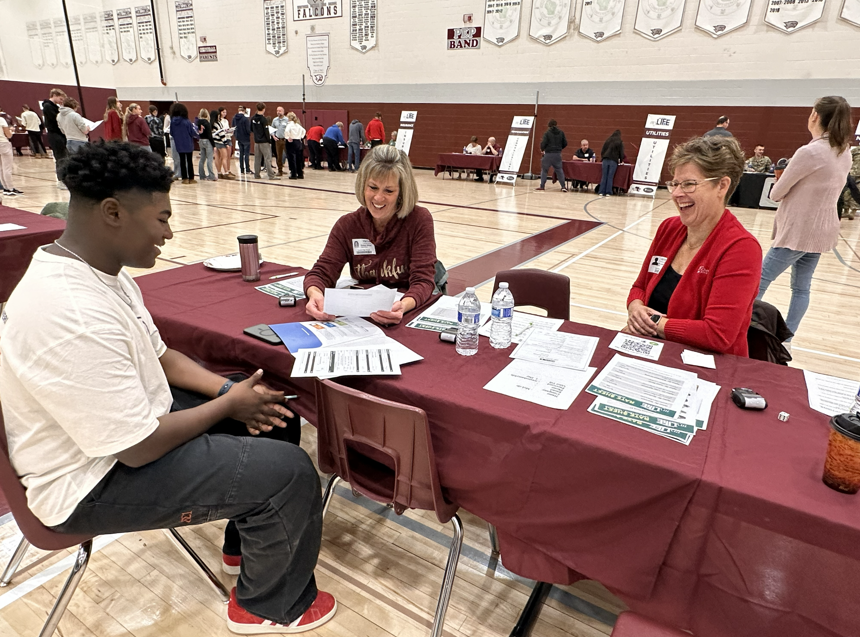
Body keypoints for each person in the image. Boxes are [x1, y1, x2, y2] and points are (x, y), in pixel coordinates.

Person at [0, 141, 337, 635]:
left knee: (271, 412)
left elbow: (163, 357)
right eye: (160, 219)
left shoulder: (101, 273)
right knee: (289, 472)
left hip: (123, 437)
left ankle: (245, 547)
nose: (170, 232)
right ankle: (268, 604)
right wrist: (229, 404)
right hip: (88, 482)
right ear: (113, 213)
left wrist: (229, 394)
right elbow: (137, 448)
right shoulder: (69, 309)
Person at [626, 136, 761, 356]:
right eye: (675, 184)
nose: (677, 193)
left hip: (708, 366)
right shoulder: (668, 229)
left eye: (688, 184)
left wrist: (653, 323)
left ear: (722, 185)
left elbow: (717, 334)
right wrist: (635, 307)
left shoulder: (741, 248)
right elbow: (639, 286)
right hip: (656, 350)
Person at [304, 145, 437, 327]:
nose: (378, 198)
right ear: (362, 185)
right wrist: (315, 294)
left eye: (388, 191)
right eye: (373, 187)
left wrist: (402, 306)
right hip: (361, 320)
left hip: (404, 315)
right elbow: (321, 272)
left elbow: (423, 281)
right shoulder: (347, 225)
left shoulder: (419, 220)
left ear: (402, 193)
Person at [756, 96, 853, 340]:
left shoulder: (810, 152)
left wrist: (781, 179)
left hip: (798, 231)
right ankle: (786, 340)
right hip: (822, 231)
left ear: (815, 117)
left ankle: (736, 326)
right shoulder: (845, 152)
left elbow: (776, 194)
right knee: (801, 288)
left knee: (758, 281)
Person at [42, 89, 68, 186]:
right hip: (54, 134)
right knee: (60, 157)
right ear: (54, 95)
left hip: (58, 134)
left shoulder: (53, 107)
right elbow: (56, 119)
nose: (61, 101)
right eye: (60, 98)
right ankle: (61, 180)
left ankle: (64, 178)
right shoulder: (48, 106)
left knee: (63, 156)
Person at [169, 102, 198, 184]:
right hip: (188, 143)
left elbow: (171, 132)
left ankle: (184, 178)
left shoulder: (172, 122)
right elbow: (192, 132)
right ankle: (191, 178)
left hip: (179, 144)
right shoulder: (186, 121)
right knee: (189, 161)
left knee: (182, 161)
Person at [536, 119, 568, 192]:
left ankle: (542, 186)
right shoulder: (561, 133)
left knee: (544, 170)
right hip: (557, 154)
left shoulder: (547, 133)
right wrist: (559, 148)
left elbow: (543, 143)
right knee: (559, 170)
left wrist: (542, 149)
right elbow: (565, 143)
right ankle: (563, 186)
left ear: (549, 126)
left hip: (548, 154)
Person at [251, 102, 276, 180]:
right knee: (267, 159)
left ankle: (257, 175)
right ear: (264, 109)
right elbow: (266, 131)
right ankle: (271, 175)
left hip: (256, 141)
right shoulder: (263, 119)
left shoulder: (253, 118)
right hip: (264, 142)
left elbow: (251, 129)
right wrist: (269, 141)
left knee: (257, 159)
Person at [0, 112, 22, 197]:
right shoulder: (1, 120)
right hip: (3, 143)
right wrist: (11, 131)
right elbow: (8, 135)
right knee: (7, 168)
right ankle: (10, 188)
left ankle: (5, 188)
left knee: (1, 168)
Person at [212, 107, 235, 180]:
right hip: (221, 141)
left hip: (218, 141)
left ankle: (220, 172)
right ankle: (226, 172)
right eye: (223, 112)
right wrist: (226, 143)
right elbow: (221, 133)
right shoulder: (217, 123)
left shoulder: (213, 123)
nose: (224, 114)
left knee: (221, 157)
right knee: (224, 157)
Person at [598, 130, 624, 196]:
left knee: (604, 176)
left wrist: (603, 157)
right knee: (610, 176)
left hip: (605, 159)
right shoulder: (619, 142)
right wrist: (621, 160)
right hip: (613, 160)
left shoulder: (607, 140)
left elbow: (603, 150)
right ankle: (608, 192)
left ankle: (601, 191)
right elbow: (621, 152)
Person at [840, 145, 860, 220]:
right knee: (846, 192)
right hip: (852, 174)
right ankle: (846, 210)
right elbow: (847, 159)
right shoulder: (856, 150)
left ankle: (853, 212)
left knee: (858, 192)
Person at [284, 112, 306, 180]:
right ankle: (300, 173)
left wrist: (287, 137)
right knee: (298, 158)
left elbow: (286, 131)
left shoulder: (289, 125)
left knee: (291, 158)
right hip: (298, 142)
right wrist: (301, 137)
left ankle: (293, 174)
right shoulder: (298, 125)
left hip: (291, 142)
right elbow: (304, 131)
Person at [196, 109, 216, 181]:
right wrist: (214, 145)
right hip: (207, 141)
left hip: (201, 140)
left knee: (202, 159)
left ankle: (202, 175)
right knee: (209, 159)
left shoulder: (198, 122)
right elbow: (209, 135)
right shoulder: (207, 122)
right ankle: (211, 175)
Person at [232, 106, 252, 175]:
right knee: (246, 154)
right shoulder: (245, 119)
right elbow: (248, 129)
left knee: (241, 154)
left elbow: (233, 128)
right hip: (245, 138)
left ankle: (242, 169)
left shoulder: (234, 118)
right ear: (244, 111)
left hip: (238, 137)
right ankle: (247, 169)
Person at [271, 106, 289, 176]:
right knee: (279, 156)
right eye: (277, 111)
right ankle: (280, 170)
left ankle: (292, 170)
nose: (278, 112)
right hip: (278, 140)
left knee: (289, 155)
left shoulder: (287, 120)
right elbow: (272, 129)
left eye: (280, 111)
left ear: (283, 111)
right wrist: (273, 136)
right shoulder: (275, 120)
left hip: (285, 140)